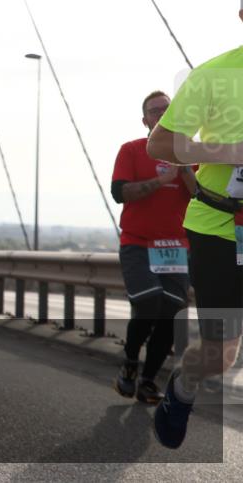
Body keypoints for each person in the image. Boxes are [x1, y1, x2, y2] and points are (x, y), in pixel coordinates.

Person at [148, 40, 243, 449]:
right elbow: (159, 144)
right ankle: (182, 388)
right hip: (219, 227)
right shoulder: (214, 75)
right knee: (221, 354)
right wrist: (228, 152)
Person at [110, 91, 195, 403]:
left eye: (167, 109)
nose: (161, 113)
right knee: (148, 303)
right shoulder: (132, 150)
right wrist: (160, 181)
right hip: (138, 243)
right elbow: (121, 193)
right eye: (154, 110)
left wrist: (182, 166)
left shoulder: (190, 153)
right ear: (145, 120)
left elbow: (199, 195)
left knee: (172, 314)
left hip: (175, 247)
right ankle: (130, 362)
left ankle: (147, 381)